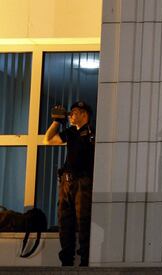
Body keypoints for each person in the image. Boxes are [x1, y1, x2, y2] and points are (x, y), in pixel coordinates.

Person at [43, 101, 95, 266]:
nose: (71, 115)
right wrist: (57, 121)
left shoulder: (92, 133)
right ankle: (66, 259)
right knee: (65, 221)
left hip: (83, 182)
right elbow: (48, 140)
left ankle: (85, 260)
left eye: (74, 112)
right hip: (66, 181)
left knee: (83, 220)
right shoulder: (71, 132)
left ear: (84, 114)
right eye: (71, 112)